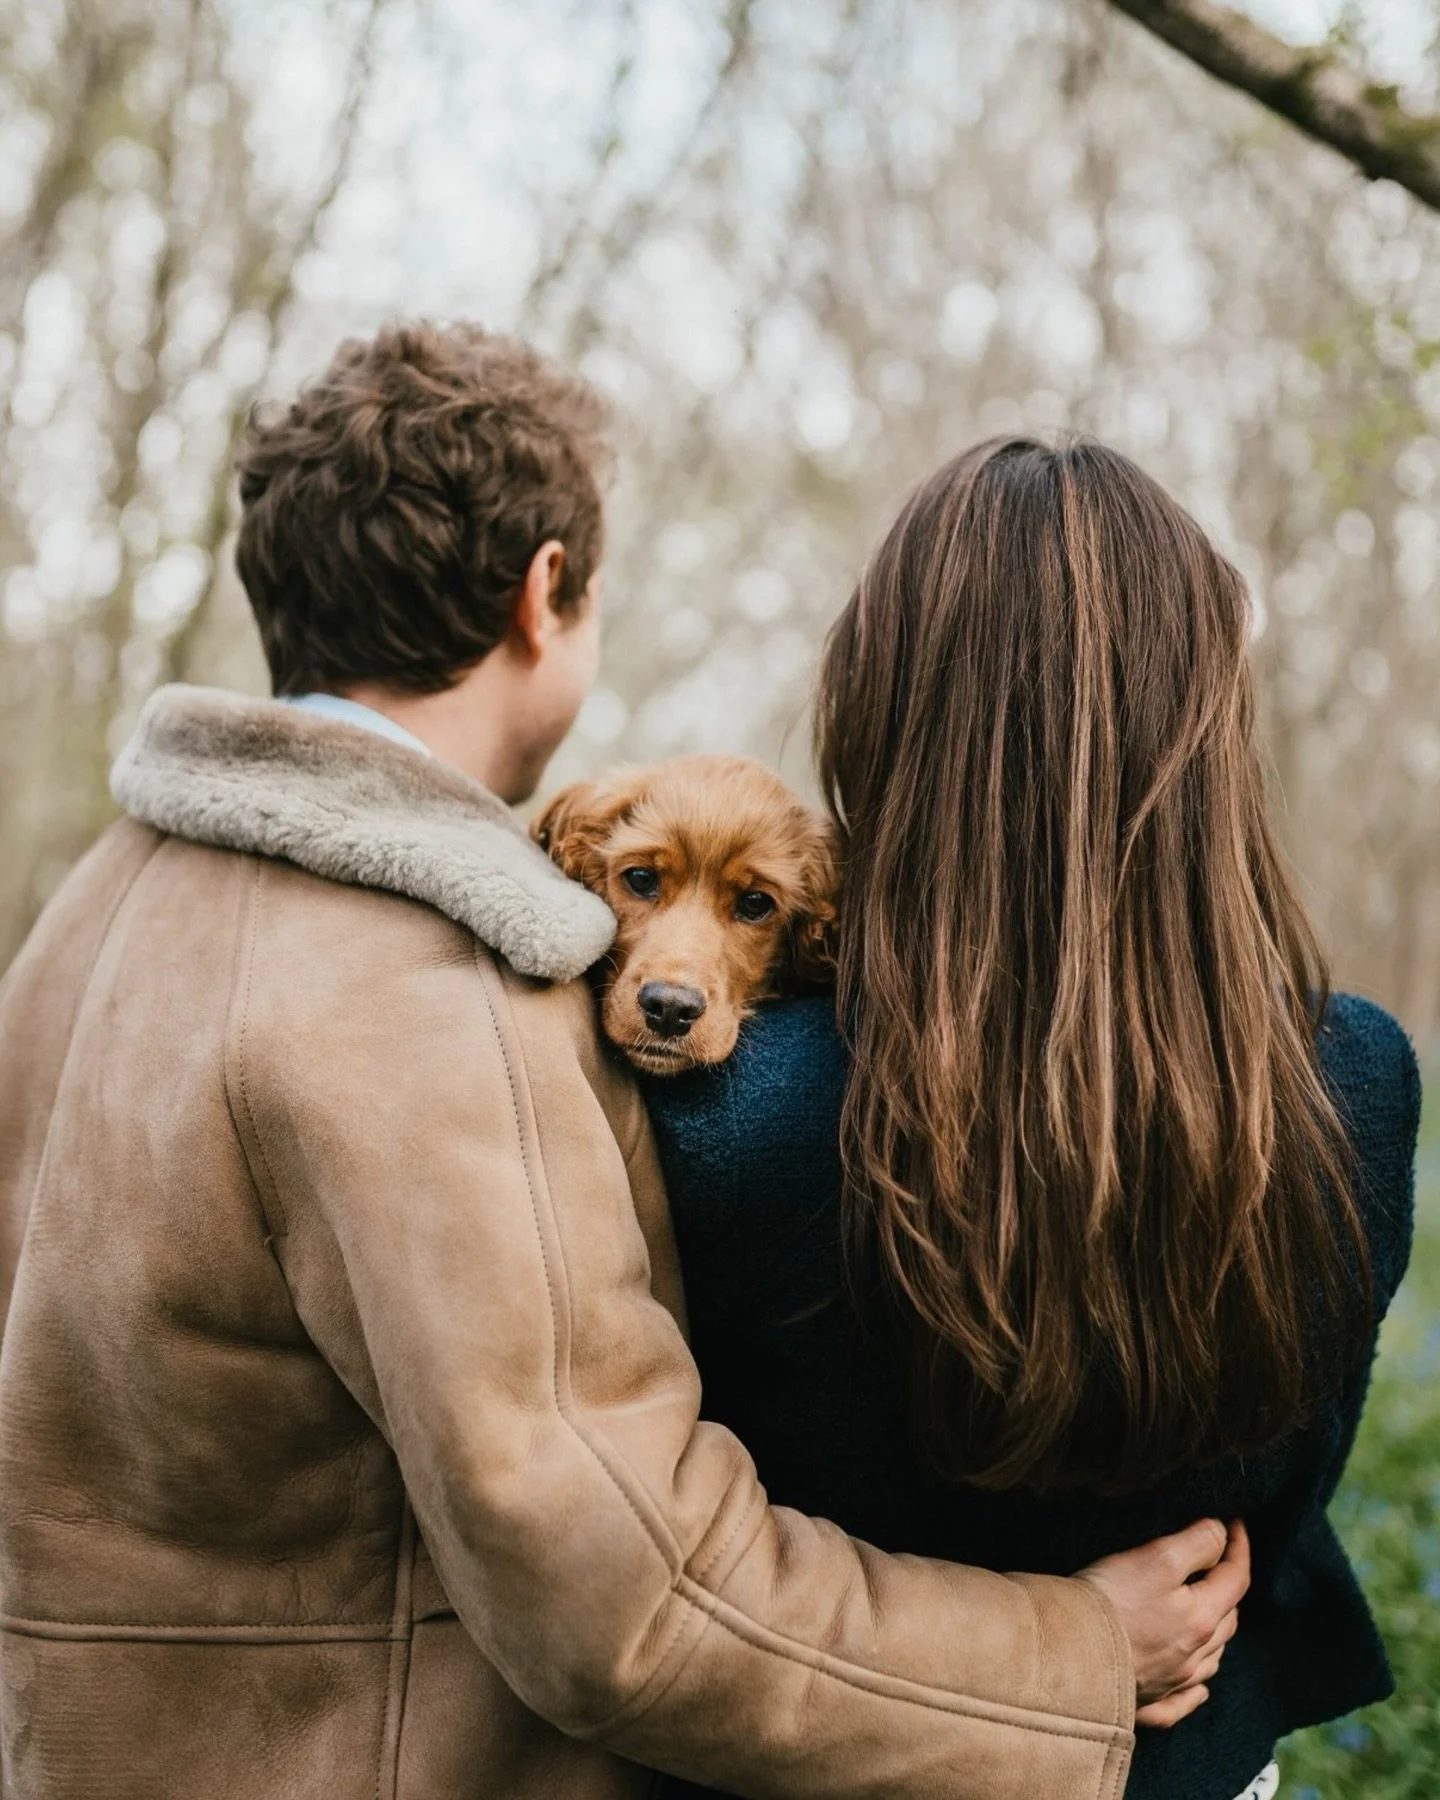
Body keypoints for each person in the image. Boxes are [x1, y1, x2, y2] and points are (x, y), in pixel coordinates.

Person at [0, 330, 1247, 1800]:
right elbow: (628, 1600)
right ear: (547, 595)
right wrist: (1069, 1656)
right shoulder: (432, 989)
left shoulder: (90, 914)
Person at [645, 436, 1421, 1800]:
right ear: (1207, 732)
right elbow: (1285, 1501)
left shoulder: (731, 1115)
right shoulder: (1353, 1077)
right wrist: (1086, 1639)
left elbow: (672, 1561)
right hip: (1188, 1761)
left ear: (878, 714)